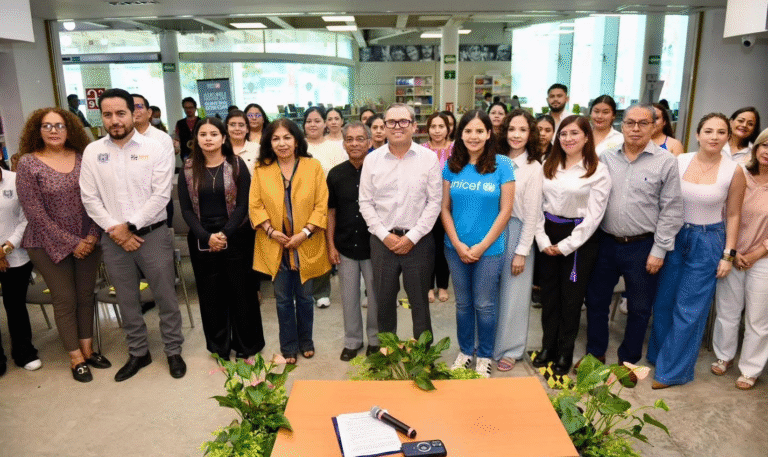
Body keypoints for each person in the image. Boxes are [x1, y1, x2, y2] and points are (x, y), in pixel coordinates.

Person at [80, 88, 186, 381]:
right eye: (107, 114)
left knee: (165, 296)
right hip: (113, 239)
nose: (114, 120)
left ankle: (173, 350)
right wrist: (117, 230)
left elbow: (161, 194)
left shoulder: (155, 148)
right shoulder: (93, 151)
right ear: (101, 116)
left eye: (120, 113)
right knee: (127, 300)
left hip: (152, 235)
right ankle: (139, 352)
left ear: (133, 113)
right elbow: (89, 199)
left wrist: (130, 227)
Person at [582, 104, 683, 375]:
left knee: (639, 308)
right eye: (630, 123)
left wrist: (660, 249)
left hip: (643, 246)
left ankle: (627, 361)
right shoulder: (606, 157)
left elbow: (672, 209)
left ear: (653, 127)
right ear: (622, 125)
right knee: (596, 301)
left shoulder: (666, 162)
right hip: (605, 242)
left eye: (642, 123)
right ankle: (595, 353)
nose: (635, 129)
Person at [647, 113, 746, 389]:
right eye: (709, 131)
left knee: (689, 309)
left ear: (728, 137)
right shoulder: (678, 161)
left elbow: (735, 215)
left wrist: (728, 254)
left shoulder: (733, 170)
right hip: (674, 236)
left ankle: (672, 372)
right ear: (698, 134)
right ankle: (659, 357)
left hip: (708, 239)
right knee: (664, 302)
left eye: (721, 132)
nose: (714, 136)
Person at [15, 108, 107, 383]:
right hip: (45, 243)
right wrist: (73, 242)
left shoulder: (84, 159)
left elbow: (97, 200)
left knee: (86, 296)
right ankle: (75, 357)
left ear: (70, 130)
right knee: (65, 299)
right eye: (47, 126)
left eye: (60, 125)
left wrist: (90, 236)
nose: (54, 130)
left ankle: (88, 349)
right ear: (38, 130)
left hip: (88, 240)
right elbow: (35, 215)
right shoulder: (29, 164)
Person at [178, 117, 264, 361]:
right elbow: (185, 209)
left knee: (242, 292)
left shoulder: (237, 165)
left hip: (236, 236)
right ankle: (219, 347)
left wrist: (225, 233)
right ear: (196, 140)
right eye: (203, 134)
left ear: (223, 138)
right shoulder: (187, 168)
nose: (208, 139)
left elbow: (244, 205)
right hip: (201, 239)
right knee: (211, 295)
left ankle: (248, 345)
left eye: (213, 134)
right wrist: (207, 236)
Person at [533, 115, 611, 375]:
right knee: (549, 297)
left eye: (574, 133)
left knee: (571, 300)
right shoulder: (548, 163)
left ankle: (565, 353)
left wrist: (566, 245)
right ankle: (548, 348)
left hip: (579, 239)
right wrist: (543, 240)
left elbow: (594, 217)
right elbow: (535, 206)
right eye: (563, 134)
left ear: (586, 137)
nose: (568, 139)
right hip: (546, 233)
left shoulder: (597, 169)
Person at [249, 119, 330, 364]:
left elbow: (321, 204)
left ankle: (306, 341)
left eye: (287, 137)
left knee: (305, 297)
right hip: (276, 244)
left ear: (296, 141)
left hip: (305, 242)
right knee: (283, 299)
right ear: (269, 143)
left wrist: (304, 233)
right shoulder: (261, 169)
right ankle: (289, 346)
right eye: (276, 139)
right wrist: (271, 231)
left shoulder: (312, 166)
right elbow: (254, 205)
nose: (282, 143)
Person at [359, 103, 442, 341]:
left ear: (414, 126)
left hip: (419, 242)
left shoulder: (428, 159)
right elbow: (365, 202)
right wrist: (385, 235)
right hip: (382, 242)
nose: (397, 127)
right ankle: (388, 357)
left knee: (419, 303)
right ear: (383, 127)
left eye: (403, 122)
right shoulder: (372, 160)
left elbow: (434, 202)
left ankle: (423, 357)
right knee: (384, 302)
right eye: (391, 122)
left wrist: (412, 237)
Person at [443, 110, 515, 378]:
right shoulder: (452, 165)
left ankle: (484, 355)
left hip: (490, 251)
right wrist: (457, 244)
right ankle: (465, 351)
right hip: (455, 249)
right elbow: (444, 209)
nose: (473, 136)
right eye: (468, 131)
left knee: (484, 304)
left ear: (488, 133)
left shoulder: (502, 165)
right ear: (460, 134)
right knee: (463, 304)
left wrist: (482, 246)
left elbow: (505, 211)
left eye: (479, 131)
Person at [711, 128, 768, 389]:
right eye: (764, 145)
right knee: (727, 311)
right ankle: (724, 356)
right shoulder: (739, 173)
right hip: (732, 252)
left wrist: (757, 253)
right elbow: (725, 213)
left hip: (763, 258)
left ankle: (751, 369)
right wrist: (732, 251)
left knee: (757, 318)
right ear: (756, 148)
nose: (767, 152)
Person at [494, 109, 543, 372]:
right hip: (491, 231)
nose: (516, 134)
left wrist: (522, 250)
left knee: (515, 294)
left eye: (522, 130)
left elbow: (533, 213)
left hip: (518, 232)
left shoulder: (534, 167)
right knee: (489, 291)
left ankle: (511, 349)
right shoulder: (494, 159)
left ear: (530, 134)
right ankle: (488, 343)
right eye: (512, 129)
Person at [327, 122, 379, 361]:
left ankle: (376, 340)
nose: (355, 144)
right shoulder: (335, 174)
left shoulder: (379, 170)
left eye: (360, 139)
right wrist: (330, 245)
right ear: (344, 143)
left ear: (369, 142)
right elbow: (331, 212)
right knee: (348, 297)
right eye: (350, 139)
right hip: (345, 245)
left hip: (375, 246)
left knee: (376, 297)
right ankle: (352, 341)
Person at [0, 166, 42, 377]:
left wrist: (5, 249)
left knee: (14, 305)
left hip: (15, 255)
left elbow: (27, 218)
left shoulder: (16, 180)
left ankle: (24, 352)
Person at [304, 106, 345, 309]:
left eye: (317, 120)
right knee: (302, 247)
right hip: (301, 204)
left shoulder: (335, 148)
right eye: (309, 121)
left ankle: (321, 291)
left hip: (327, 205)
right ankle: (302, 291)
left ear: (325, 123)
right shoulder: (297, 146)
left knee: (322, 248)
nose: (313, 124)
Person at [422, 112, 453, 303]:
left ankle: (442, 285)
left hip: (450, 207)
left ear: (448, 129)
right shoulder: (421, 150)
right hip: (426, 206)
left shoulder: (457, 149)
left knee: (444, 247)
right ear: (428, 129)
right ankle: (427, 286)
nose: (437, 130)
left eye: (441, 126)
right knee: (427, 248)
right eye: (433, 126)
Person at [132, 94, 175, 229]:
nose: (135, 111)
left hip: (159, 203)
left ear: (149, 112)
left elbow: (166, 177)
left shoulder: (161, 139)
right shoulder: (120, 139)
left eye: (139, 106)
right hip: (129, 204)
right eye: (130, 107)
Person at [226, 110, 259, 174]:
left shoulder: (257, 149)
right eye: (232, 125)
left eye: (241, 125)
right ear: (227, 128)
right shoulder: (220, 149)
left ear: (247, 129)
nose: (237, 128)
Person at [175, 97, 199, 162]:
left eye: (190, 107)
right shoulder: (180, 123)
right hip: (186, 155)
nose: (188, 110)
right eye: (186, 108)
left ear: (195, 108)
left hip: (201, 153)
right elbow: (177, 139)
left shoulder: (201, 121)